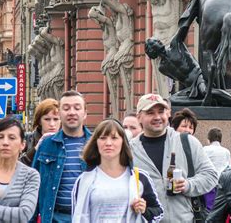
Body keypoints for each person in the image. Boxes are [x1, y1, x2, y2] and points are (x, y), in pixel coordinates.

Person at [130, 93, 218, 223]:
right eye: (150, 113)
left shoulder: (187, 142)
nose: (157, 117)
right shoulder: (130, 150)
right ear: (139, 117)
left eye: (161, 111)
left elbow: (211, 176)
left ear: (168, 114)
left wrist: (188, 185)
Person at [72, 119, 163, 222]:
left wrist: (144, 210)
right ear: (96, 142)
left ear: (123, 142)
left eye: (114, 138)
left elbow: (158, 212)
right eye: (103, 138)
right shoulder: (84, 180)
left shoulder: (139, 178)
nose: (108, 143)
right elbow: (77, 216)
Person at [32, 90, 91, 223]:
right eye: (66, 108)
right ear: (59, 113)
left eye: (77, 108)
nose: (71, 112)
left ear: (85, 113)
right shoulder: (46, 145)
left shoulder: (96, 145)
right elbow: (34, 185)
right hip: (54, 217)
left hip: (87, 216)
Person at [20, 98, 60, 166]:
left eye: (56, 119)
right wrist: (35, 149)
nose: (52, 124)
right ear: (39, 121)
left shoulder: (66, 141)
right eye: (47, 119)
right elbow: (14, 168)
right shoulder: (27, 139)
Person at [202, 127, 231, 211]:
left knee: (209, 208)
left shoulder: (205, 149)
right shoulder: (226, 151)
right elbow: (229, 168)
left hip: (209, 184)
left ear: (209, 139)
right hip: (222, 184)